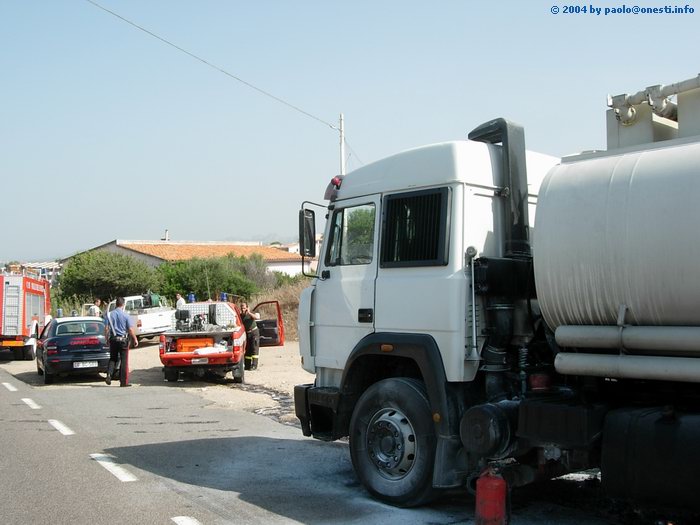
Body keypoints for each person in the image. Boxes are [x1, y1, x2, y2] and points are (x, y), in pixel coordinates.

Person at [104, 297, 138, 386]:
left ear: (116, 304)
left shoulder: (109, 315)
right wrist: (135, 339)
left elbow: (107, 328)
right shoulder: (126, 315)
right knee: (124, 360)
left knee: (113, 358)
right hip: (123, 340)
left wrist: (106, 339)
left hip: (113, 339)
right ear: (123, 305)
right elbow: (130, 329)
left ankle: (109, 375)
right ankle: (123, 382)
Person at [240, 302, 260, 371]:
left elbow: (257, 317)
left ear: (247, 308)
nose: (243, 309)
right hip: (247, 334)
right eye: (242, 308)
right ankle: (247, 366)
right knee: (248, 350)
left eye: (244, 308)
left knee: (254, 349)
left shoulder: (251, 314)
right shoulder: (240, 316)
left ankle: (254, 365)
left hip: (254, 332)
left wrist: (249, 312)